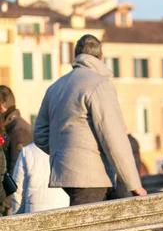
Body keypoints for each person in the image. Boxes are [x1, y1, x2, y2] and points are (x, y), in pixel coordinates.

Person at [34, 34, 146, 206]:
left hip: (64, 173)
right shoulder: (100, 84)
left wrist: (65, 152)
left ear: (76, 56)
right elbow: (114, 137)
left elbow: (40, 134)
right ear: (101, 58)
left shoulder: (55, 87)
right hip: (93, 175)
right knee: (92, 230)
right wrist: (134, 184)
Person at [0, 85, 33, 215]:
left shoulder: (19, 130)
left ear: (2, 106)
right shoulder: (9, 127)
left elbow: (17, 170)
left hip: (10, 203)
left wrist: (6, 204)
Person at [12, 143, 70, 214]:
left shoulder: (27, 151)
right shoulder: (68, 148)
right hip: (64, 208)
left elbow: (17, 191)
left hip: (33, 212)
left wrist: (18, 216)